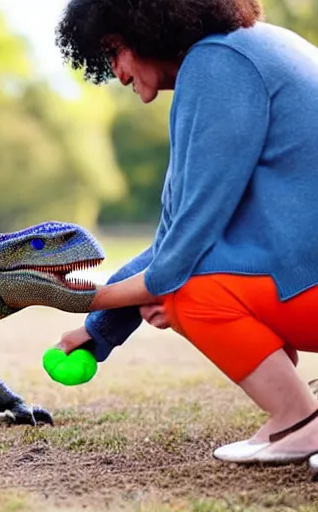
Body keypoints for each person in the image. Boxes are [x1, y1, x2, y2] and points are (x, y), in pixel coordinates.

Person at [53, 0, 318, 470]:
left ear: (150, 25)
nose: (117, 73)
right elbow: (174, 239)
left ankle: (299, 419)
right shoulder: (245, 50)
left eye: (116, 51)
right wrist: (98, 329)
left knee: (187, 293)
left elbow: (175, 262)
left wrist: (79, 299)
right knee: (182, 283)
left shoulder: (217, 66)